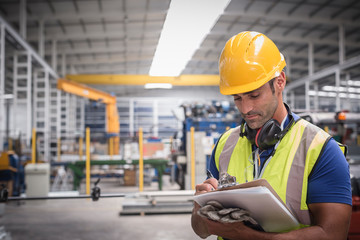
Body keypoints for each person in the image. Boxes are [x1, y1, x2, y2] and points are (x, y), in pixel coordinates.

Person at [191, 31, 352, 240]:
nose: (246, 108)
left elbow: (333, 235)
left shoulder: (320, 150)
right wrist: (200, 210)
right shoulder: (224, 145)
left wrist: (245, 235)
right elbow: (200, 230)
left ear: (280, 82)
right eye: (237, 98)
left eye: (254, 95)